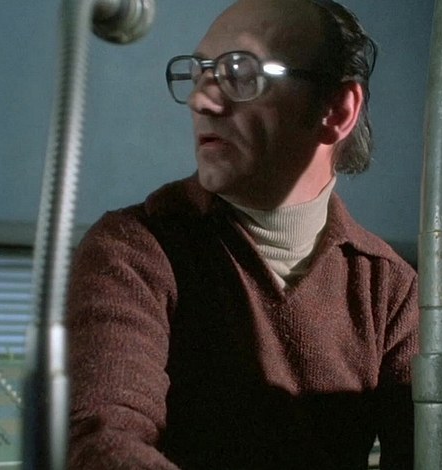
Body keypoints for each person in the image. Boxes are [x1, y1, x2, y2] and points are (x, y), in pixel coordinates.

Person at [66, 0, 419, 468]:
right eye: (199, 74)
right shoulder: (133, 252)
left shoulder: (388, 289)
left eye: (240, 72)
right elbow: (102, 443)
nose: (202, 101)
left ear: (337, 110)